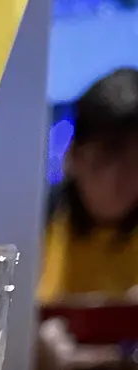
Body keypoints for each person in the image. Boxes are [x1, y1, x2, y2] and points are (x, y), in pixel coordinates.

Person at [39, 67, 138, 302]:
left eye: (136, 162)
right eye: (105, 157)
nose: (118, 177)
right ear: (73, 156)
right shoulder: (36, 223)